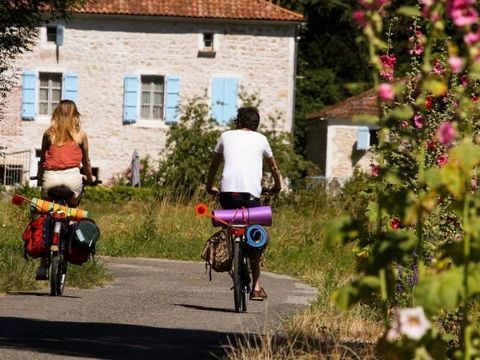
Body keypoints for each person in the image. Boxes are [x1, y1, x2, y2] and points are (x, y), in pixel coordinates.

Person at [206, 106, 281, 301]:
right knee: (255, 234)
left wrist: (209, 186)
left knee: (230, 226)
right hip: (251, 197)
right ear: (256, 124)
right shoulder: (261, 139)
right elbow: (273, 167)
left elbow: (214, 164)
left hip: (228, 195)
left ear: (238, 122)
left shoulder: (225, 136)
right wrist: (277, 185)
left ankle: (231, 254)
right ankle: (256, 286)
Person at [35, 99, 94, 280]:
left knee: (45, 213)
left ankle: (44, 265)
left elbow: (43, 161)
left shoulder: (48, 133)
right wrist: (90, 179)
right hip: (72, 179)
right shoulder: (81, 135)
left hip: (50, 179)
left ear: (56, 114)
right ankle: (69, 238)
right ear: (75, 115)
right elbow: (86, 162)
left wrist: (39, 179)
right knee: (72, 211)